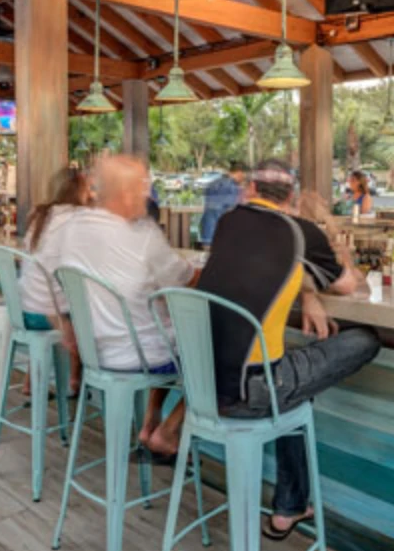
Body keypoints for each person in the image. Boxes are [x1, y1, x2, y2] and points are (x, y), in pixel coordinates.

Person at [196, 158, 377, 539]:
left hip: (202, 385)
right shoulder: (302, 231)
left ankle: (290, 508)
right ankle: (289, 507)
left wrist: (308, 292)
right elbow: (354, 288)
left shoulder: (229, 222)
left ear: (252, 189)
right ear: (291, 194)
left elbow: (263, 268)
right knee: (366, 339)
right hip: (254, 390)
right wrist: (334, 241)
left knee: (293, 389)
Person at [58, 155, 196, 452]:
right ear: (125, 193)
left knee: (164, 326)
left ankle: (150, 419)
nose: (148, 193)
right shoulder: (144, 235)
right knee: (211, 350)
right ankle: (168, 430)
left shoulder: (73, 228)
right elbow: (183, 279)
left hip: (93, 353)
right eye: (143, 186)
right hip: (138, 358)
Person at [18, 166, 92, 395]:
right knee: (89, 311)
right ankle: (74, 381)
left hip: (24, 309)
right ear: (80, 191)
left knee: (53, 295)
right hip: (51, 316)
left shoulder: (41, 215)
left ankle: (31, 381)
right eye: (89, 189)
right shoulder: (79, 218)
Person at [198, 162, 246, 248]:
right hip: (223, 237)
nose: (243, 180)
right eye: (243, 177)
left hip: (207, 233)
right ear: (239, 173)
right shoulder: (233, 187)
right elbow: (233, 211)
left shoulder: (212, 184)